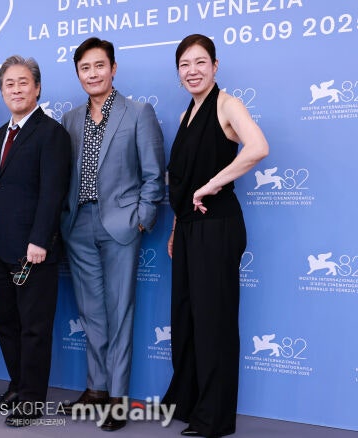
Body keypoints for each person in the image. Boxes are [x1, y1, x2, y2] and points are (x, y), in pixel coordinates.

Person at [161, 34, 269, 437]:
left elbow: (258, 147)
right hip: (190, 228)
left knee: (214, 322)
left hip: (218, 227)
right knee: (187, 318)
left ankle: (214, 418)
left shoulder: (227, 104)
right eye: (184, 64)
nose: (192, 71)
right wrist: (176, 227)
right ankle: (191, 402)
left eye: (200, 62)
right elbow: (183, 179)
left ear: (215, 66)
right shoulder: (187, 114)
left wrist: (212, 184)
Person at [59, 37, 165, 431]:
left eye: (99, 66)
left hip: (121, 225)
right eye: (85, 68)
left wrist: (142, 218)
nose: (93, 74)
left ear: (113, 68)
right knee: (91, 313)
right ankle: (96, 389)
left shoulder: (138, 112)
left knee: (120, 312)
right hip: (78, 226)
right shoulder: (70, 119)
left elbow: (154, 173)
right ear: (78, 73)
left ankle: (117, 399)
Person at [0, 55, 71, 427]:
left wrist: (40, 240)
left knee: (34, 328)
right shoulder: (1, 133)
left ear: (37, 88)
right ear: (2, 91)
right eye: (9, 84)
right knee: (5, 323)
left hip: (33, 250)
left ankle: (32, 401)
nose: (16, 90)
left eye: (23, 83)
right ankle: (17, 387)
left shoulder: (51, 133)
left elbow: (53, 192)